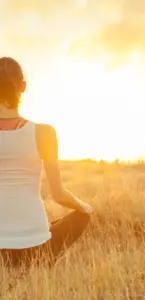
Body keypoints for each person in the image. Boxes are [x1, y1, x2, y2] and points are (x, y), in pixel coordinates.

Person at [0, 57, 93, 268]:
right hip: (34, 244)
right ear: (23, 86)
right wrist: (84, 207)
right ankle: (38, 262)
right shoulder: (44, 133)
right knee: (82, 215)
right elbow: (58, 195)